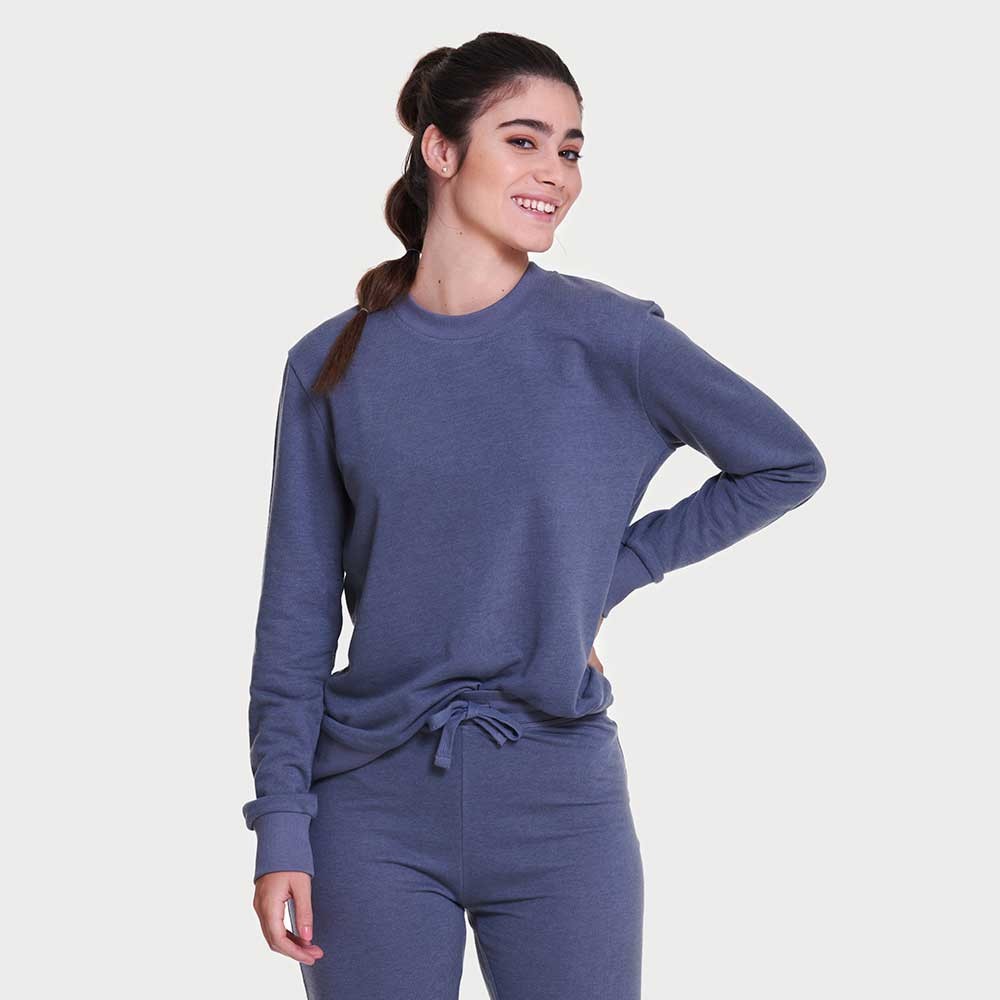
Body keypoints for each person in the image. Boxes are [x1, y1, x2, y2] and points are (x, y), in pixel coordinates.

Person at [241, 31, 826, 1000]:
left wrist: (608, 575)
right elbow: (294, 620)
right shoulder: (330, 363)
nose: (555, 171)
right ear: (440, 149)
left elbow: (783, 463)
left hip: (560, 807)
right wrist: (280, 826)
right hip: (369, 809)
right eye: (523, 140)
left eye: (570, 148)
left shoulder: (611, 337)